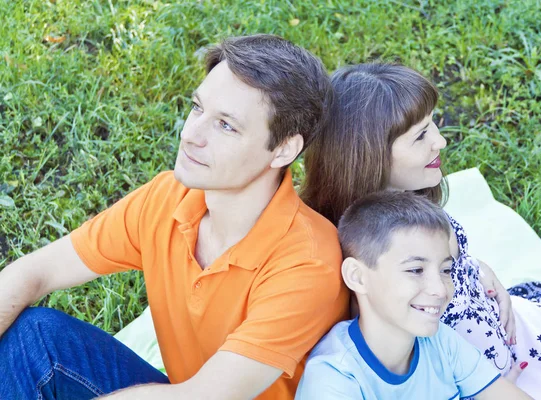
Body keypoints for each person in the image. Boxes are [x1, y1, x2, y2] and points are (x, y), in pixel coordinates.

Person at [0, 34, 349, 400]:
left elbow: (204, 396)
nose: (190, 134)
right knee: (36, 335)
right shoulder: (169, 198)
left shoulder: (308, 261)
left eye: (226, 125)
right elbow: (34, 272)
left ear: (282, 149)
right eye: (198, 108)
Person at [301, 62, 541, 399]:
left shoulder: (410, 198)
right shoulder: (359, 250)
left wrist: (476, 269)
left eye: (433, 126)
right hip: (476, 378)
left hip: (505, 343)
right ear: (369, 154)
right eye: (421, 136)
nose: (440, 141)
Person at [296, 190, 532, 399]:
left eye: (446, 270)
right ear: (358, 277)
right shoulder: (334, 379)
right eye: (416, 270)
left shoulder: (440, 342)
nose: (440, 290)